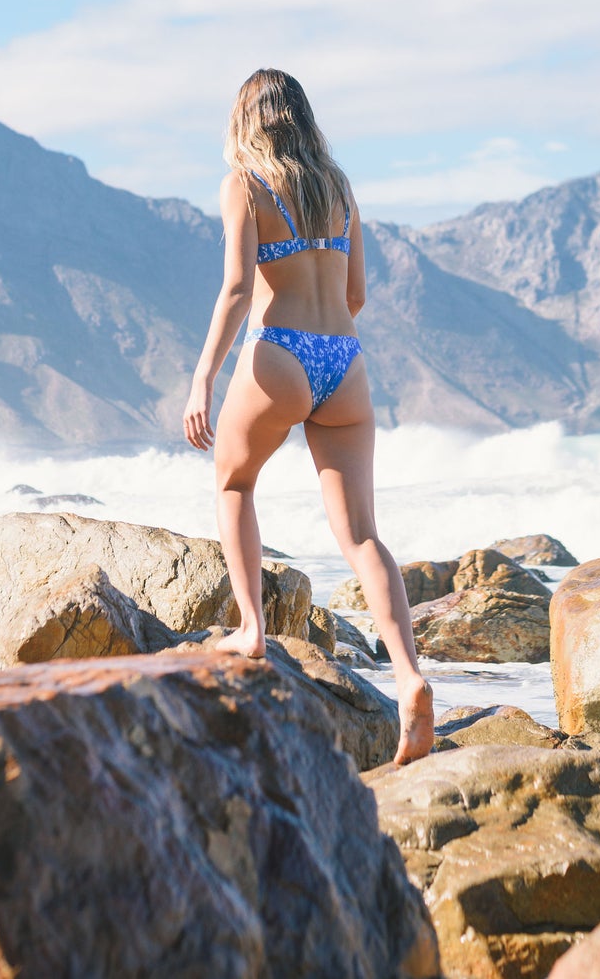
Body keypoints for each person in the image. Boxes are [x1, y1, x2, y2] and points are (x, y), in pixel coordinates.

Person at [183, 69, 434, 764]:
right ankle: (410, 675)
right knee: (361, 536)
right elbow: (355, 293)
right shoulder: (340, 186)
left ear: (246, 119)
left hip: (282, 352)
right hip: (344, 362)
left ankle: (251, 627)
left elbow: (237, 287)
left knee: (233, 482)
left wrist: (204, 374)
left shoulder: (244, 182)